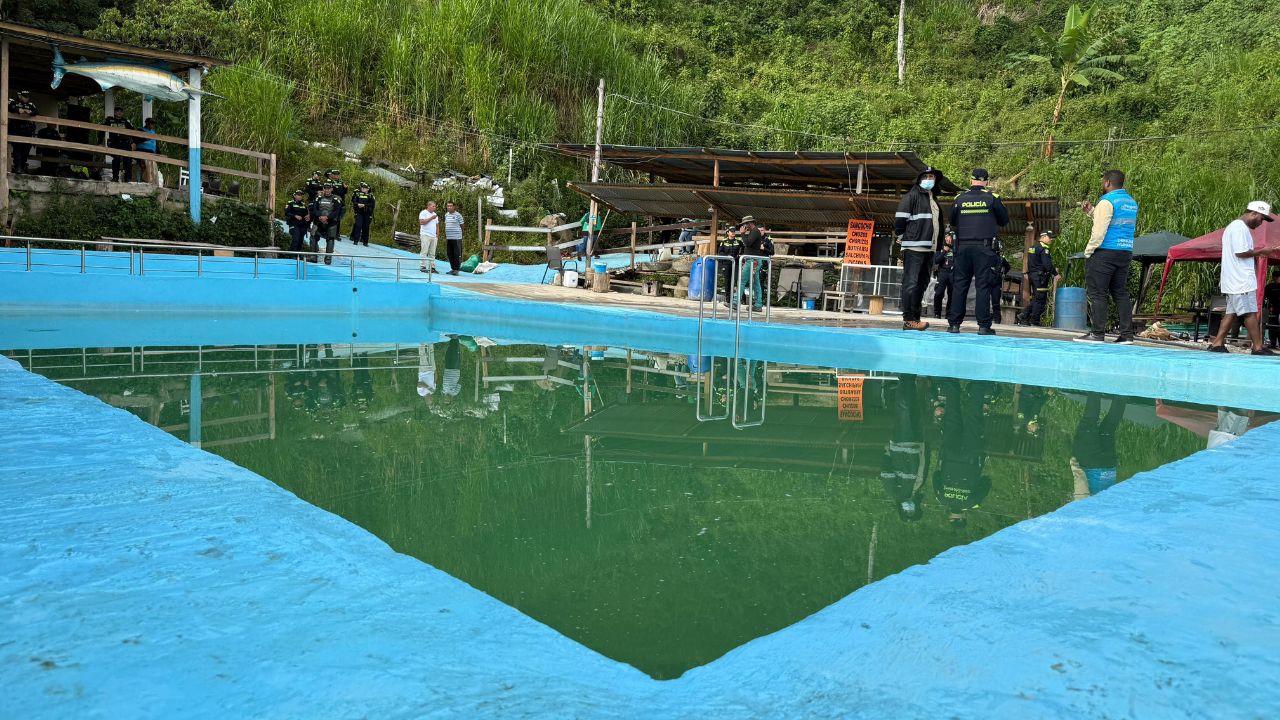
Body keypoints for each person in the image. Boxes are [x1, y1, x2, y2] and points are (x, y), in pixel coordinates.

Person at [1076, 169, 1139, 343]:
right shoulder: (1131, 202)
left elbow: (1099, 231)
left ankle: (1097, 333)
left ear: (1107, 183)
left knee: (1098, 294)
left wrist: (1089, 251)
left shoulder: (1106, 201)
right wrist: (1092, 212)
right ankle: (1127, 335)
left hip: (1105, 253)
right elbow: (1114, 223)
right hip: (1125, 252)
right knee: (1120, 293)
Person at [1206, 200, 1275, 355]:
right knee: (1249, 312)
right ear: (1253, 213)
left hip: (1234, 280)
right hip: (1240, 280)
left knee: (1231, 313)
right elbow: (1240, 252)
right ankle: (1257, 347)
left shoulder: (1235, 227)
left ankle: (1217, 343)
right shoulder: (1239, 228)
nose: (1261, 223)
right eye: (1261, 218)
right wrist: (1262, 251)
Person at [947, 168, 1009, 335]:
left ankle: (954, 325)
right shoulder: (992, 198)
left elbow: (952, 220)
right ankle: (983, 326)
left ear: (971, 180)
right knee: (983, 286)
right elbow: (1004, 220)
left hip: (962, 248)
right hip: (984, 248)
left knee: (960, 285)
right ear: (987, 182)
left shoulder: (959, 199)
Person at [933, 377, 993, 526]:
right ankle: (951, 383)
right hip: (950, 454)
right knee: (952, 416)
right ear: (950, 517)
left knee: (974, 418)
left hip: (972, 455)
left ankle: (978, 385)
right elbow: (935, 476)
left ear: (963, 517)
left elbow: (987, 482)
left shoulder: (973, 502)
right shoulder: (942, 499)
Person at [894, 167, 947, 331]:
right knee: (911, 283)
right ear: (919, 179)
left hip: (929, 249)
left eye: (932, 176)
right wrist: (905, 237)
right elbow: (899, 221)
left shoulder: (933, 199)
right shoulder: (912, 196)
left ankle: (915, 319)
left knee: (922, 284)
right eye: (926, 176)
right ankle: (909, 319)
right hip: (914, 247)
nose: (929, 179)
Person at [881, 375, 927, 522]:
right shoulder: (917, 490)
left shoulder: (894, 493)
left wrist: (887, 453)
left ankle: (905, 378)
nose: (909, 509)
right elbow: (923, 467)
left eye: (906, 512)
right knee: (915, 409)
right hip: (918, 443)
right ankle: (911, 381)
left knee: (904, 408)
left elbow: (886, 472)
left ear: (900, 509)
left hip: (901, 445)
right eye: (912, 511)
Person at [1069, 394, 1127, 500]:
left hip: (1109, 467)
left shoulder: (1105, 511)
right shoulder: (1083, 512)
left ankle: (1122, 393)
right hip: (1090, 463)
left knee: (1109, 427)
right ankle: (1095, 388)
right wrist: (1075, 468)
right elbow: (1081, 486)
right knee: (1088, 422)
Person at [1022, 230, 1061, 326]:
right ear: (1043, 237)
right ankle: (1034, 321)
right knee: (1040, 299)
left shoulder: (1033, 247)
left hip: (1033, 275)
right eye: (1049, 237)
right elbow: (1047, 264)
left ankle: (1024, 315)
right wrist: (1056, 274)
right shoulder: (1044, 248)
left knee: (1036, 298)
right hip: (1040, 277)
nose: (1051, 239)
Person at [736, 216, 767, 311]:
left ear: (749, 223)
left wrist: (742, 234)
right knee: (756, 284)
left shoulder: (755, 231)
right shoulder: (754, 232)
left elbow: (747, 243)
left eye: (745, 224)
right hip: (754, 260)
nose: (744, 226)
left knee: (742, 280)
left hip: (752, 261)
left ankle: (735, 302)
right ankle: (758, 304)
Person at [308, 183, 343, 264]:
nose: (327, 190)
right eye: (325, 188)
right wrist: (320, 216)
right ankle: (313, 257)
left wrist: (327, 217)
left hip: (331, 222)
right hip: (318, 221)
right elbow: (314, 209)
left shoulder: (336, 199)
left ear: (331, 189)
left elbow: (337, 211)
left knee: (331, 239)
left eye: (328, 188)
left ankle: (328, 259)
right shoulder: (318, 198)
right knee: (313, 237)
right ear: (323, 189)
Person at [8, 89, 38, 174]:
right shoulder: (13, 102)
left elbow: (36, 112)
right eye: (25, 97)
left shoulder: (30, 104)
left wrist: (30, 112)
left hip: (27, 130)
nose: (26, 99)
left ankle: (22, 166)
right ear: (20, 96)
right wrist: (18, 110)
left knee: (26, 149)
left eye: (28, 97)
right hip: (16, 129)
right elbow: (10, 107)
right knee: (17, 149)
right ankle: (17, 167)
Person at [103, 107, 135, 182]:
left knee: (127, 160)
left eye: (121, 111)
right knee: (116, 160)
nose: (119, 113)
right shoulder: (110, 120)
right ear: (114, 112)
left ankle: (128, 178)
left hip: (125, 143)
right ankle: (115, 177)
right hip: (115, 143)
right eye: (117, 111)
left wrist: (133, 142)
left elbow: (133, 131)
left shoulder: (125, 121)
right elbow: (102, 130)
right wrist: (99, 142)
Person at [932, 232, 955, 319]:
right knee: (938, 293)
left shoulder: (956, 248)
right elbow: (936, 261)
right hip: (942, 272)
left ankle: (949, 314)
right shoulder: (940, 248)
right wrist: (944, 251)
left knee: (952, 294)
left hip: (952, 273)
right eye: (946, 238)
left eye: (949, 238)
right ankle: (937, 313)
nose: (948, 240)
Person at [349, 181, 376, 246]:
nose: (363, 189)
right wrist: (358, 204)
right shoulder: (358, 195)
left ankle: (365, 242)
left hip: (367, 214)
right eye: (362, 188)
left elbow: (372, 205)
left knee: (366, 227)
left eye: (365, 188)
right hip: (359, 213)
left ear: (368, 189)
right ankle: (355, 241)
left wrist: (364, 205)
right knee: (358, 226)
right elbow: (354, 202)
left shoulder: (371, 196)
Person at [283, 189, 310, 253]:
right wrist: (295, 216)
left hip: (302, 225)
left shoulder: (303, 205)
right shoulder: (290, 203)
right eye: (298, 195)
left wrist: (308, 216)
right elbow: (286, 213)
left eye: (301, 195)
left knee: (300, 240)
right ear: (294, 195)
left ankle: (298, 255)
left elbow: (307, 214)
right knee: (296, 238)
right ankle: (292, 255)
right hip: (293, 224)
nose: (300, 196)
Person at [443, 200, 465, 275]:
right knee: (450, 253)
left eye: (450, 206)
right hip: (449, 238)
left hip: (457, 238)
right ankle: (453, 268)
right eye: (448, 206)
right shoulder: (446, 215)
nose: (449, 207)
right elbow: (446, 225)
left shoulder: (458, 215)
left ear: (454, 207)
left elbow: (462, 226)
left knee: (457, 254)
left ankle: (457, 269)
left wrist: (460, 234)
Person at [419, 200, 439, 273]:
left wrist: (437, 235)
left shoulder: (435, 214)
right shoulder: (423, 213)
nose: (434, 208)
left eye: (435, 206)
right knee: (424, 251)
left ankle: (432, 267)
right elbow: (421, 222)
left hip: (433, 236)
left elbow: (437, 225)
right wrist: (431, 218)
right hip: (425, 235)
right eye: (433, 206)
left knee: (432, 253)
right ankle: (422, 266)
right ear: (428, 206)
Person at [136, 118, 158, 184]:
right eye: (151, 123)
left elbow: (156, 144)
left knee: (152, 166)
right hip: (142, 150)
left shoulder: (153, 132)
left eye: (153, 123)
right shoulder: (140, 130)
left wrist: (158, 152)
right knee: (144, 165)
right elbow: (137, 140)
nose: (152, 125)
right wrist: (146, 139)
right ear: (146, 123)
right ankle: (141, 181)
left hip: (151, 152)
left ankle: (150, 181)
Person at [1264, 269, 1280, 349]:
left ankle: (1274, 343)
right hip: (1272, 308)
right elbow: (1264, 297)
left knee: (1275, 326)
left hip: (1274, 308)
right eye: (1276, 277)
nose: (1277, 279)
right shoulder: (1269, 286)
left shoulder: (1270, 286)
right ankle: (1273, 343)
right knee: (1272, 326)